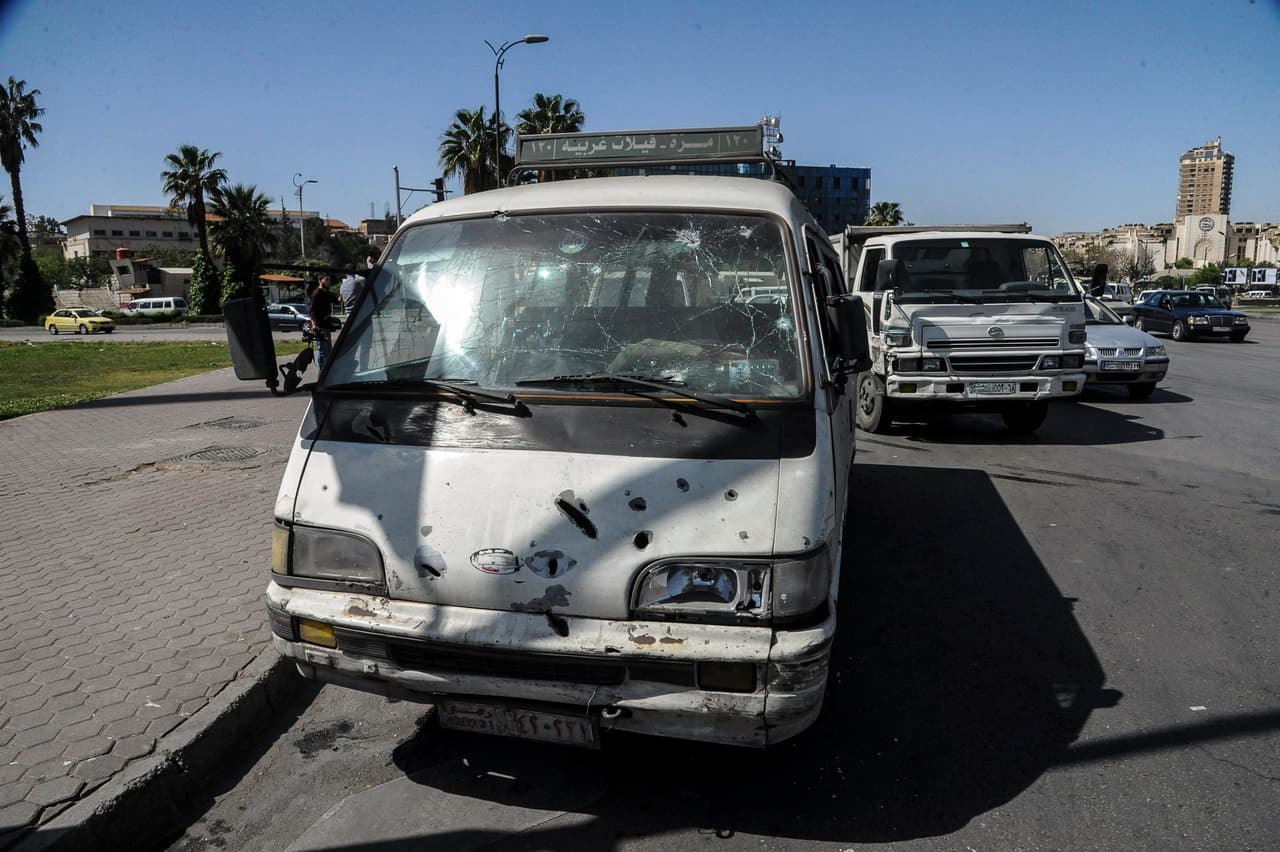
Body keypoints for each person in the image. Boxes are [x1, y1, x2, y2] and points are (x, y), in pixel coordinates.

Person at [308, 275, 339, 372]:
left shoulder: (327, 293)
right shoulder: (317, 293)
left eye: (329, 280)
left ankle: (328, 371)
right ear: (320, 281)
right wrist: (314, 325)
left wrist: (340, 296)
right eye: (326, 280)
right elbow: (312, 310)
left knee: (329, 350)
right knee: (322, 350)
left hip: (327, 325)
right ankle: (321, 373)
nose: (328, 282)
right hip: (319, 326)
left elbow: (336, 299)